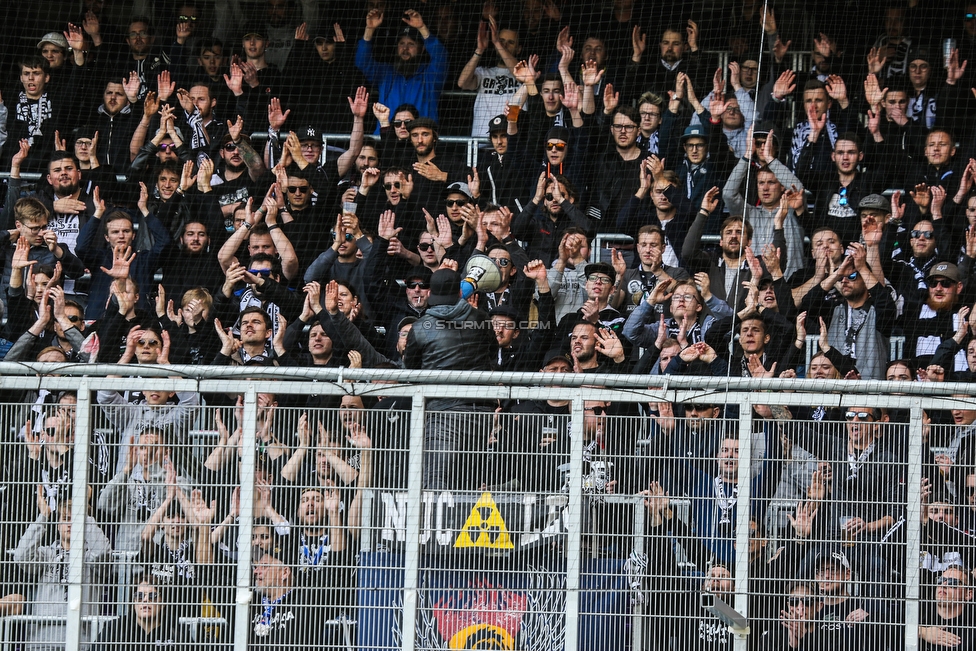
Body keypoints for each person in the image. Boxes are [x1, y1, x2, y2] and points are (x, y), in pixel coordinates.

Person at [403, 268, 495, 490]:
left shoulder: (420, 327)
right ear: (458, 290)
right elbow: (493, 355)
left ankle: (434, 526)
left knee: (436, 485)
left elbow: (410, 368)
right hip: (482, 412)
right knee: (469, 485)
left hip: (442, 413)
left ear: (432, 292)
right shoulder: (481, 319)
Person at [356, 9, 447, 126]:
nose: (405, 48)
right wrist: (369, 29)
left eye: (411, 44)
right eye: (402, 43)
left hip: (420, 139)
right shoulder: (385, 73)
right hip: (387, 138)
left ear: (422, 48)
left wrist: (422, 28)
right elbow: (362, 62)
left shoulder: (430, 75)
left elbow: (441, 57)